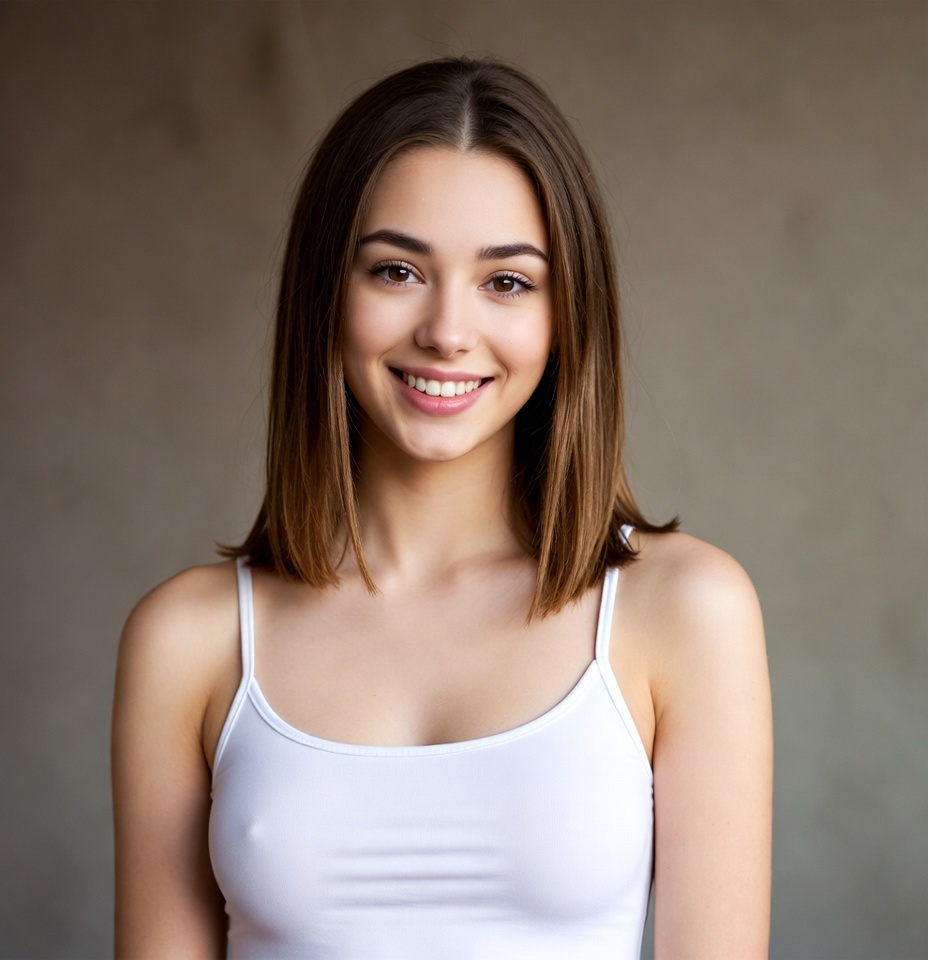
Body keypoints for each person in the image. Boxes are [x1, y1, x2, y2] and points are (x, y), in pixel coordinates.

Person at [112, 57, 772, 959]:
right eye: (396, 271)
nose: (448, 332)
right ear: (326, 294)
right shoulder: (190, 639)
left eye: (507, 282)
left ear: (566, 315)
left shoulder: (685, 612)